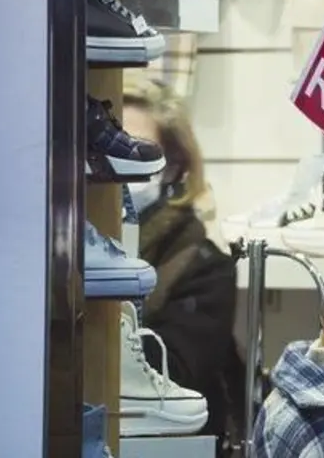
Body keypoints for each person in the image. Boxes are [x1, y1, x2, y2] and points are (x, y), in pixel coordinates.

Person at [123, 77, 245, 452]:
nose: (114, 166)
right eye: (100, 150)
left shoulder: (205, 268)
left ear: (174, 168)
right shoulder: (61, 248)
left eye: (136, 152)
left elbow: (173, 378)